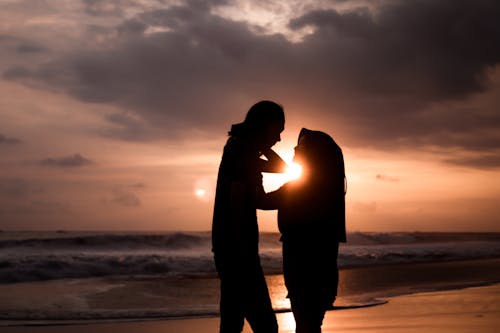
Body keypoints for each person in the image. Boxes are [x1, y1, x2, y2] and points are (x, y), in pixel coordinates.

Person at [212, 100, 287, 333]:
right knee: (265, 325)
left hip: (229, 248)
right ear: (265, 125)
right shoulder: (241, 152)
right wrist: (288, 194)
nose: (279, 139)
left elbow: (281, 167)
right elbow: (252, 201)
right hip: (238, 251)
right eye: (278, 131)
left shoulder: (241, 148)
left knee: (232, 321)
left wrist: (262, 144)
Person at [266, 128, 346, 333]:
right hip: (324, 274)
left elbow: (262, 200)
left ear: (313, 155)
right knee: (311, 325)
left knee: (305, 325)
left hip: (302, 271)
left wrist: (259, 151)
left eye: (300, 146)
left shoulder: (298, 187)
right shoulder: (329, 190)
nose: (294, 148)